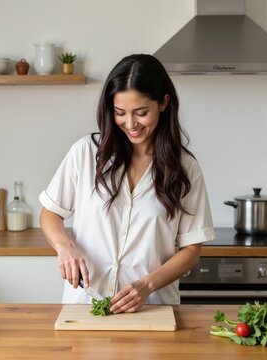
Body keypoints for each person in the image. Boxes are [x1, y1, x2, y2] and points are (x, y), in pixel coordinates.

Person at [39, 54, 214, 314]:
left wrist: (147, 285)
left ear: (164, 103)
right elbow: (50, 212)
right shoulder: (86, 153)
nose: (130, 124)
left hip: (152, 310)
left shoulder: (184, 168)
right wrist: (64, 247)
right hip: (85, 307)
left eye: (141, 113)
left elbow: (191, 250)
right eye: (120, 113)